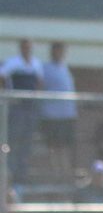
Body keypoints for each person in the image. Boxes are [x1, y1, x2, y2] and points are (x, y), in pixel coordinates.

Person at [1, 39, 45, 183]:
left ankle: (22, 174)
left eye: (29, 47)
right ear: (20, 48)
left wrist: (36, 97)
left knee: (26, 141)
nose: (27, 50)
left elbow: (39, 81)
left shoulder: (36, 64)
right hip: (17, 107)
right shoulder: (13, 63)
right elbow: (2, 76)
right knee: (14, 139)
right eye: (24, 47)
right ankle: (11, 173)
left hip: (30, 108)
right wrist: (8, 95)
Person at [39, 43, 76, 177]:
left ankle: (65, 171)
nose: (59, 53)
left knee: (65, 146)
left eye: (62, 51)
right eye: (57, 51)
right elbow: (40, 87)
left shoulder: (64, 68)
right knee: (54, 146)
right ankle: (55, 172)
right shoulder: (45, 68)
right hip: (52, 115)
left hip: (67, 115)